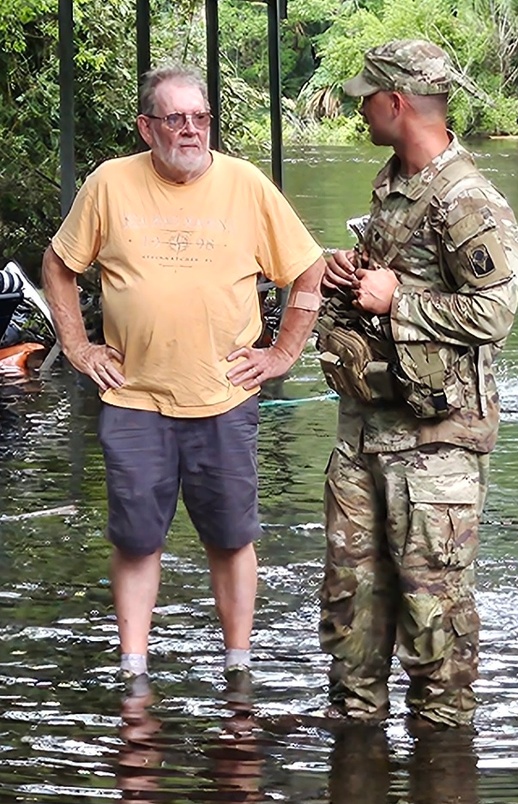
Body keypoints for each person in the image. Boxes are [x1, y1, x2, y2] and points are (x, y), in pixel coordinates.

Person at [42, 64, 326, 684]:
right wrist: (79, 347)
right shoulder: (110, 185)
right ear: (147, 128)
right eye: (175, 119)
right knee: (137, 538)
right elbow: (59, 266)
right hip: (134, 397)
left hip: (224, 397)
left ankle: (238, 667)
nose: (192, 131)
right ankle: (134, 669)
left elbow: (307, 271)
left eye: (200, 118)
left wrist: (282, 356)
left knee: (231, 536)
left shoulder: (245, 185)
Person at [317, 39, 518, 728]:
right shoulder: (392, 183)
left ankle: (444, 759)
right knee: (352, 601)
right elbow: (393, 276)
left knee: (434, 612)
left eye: (366, 98)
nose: (359, 110)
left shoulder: (466, 199)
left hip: (436, 445)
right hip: (364, 431)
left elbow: (494, 312)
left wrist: (394, 299)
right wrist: (355, 274)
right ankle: (355, 740)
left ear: (396, 102)